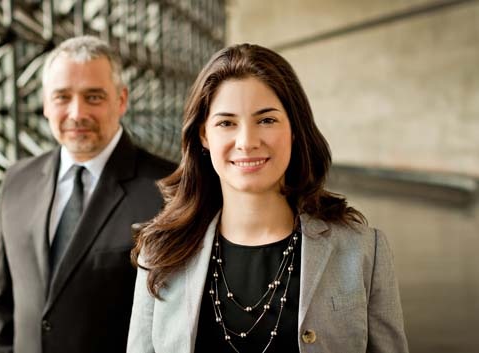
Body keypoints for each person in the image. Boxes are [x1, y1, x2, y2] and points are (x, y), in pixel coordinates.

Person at [127, 43, 409, 353]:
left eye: (266, 120)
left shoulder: (363, 251)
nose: (247, 142)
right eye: (226, 123)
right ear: (204, 135)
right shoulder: (161, 253)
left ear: (294, 130)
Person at [0, 36, 176, 353]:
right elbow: (2, 304)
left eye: (94, 97)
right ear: (46, 104)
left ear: (122, 100)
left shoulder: (170, 188)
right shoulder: (17, 181)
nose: (77, 113)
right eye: (62, 97)